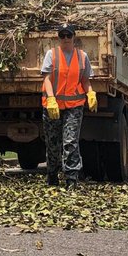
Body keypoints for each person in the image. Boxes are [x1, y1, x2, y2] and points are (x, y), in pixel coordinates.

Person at [41, 23, 97, 187]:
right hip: (53, 106)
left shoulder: (82, 56)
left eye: (69, 35)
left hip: (74, 106)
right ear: (59, 38)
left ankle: (71, 179)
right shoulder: (51, 54)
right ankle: (52, 176)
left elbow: (85, 80)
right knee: (53, 144)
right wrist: (51, 99)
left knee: (70, 142)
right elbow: (46, 79)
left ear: (74, 37)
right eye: (62, 35)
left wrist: (90, 93)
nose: (65, 38)